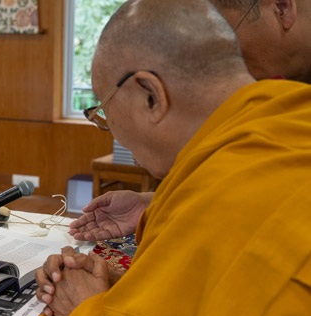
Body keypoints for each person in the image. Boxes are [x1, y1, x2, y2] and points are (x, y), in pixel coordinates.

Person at [36, 0, 311, 316]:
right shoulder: (289, 123)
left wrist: (84, 315)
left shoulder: (230, 202)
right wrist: (126, 285)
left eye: (105, 114)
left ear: (151, 95)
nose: (113, 131)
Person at [70, 0, 311, 242]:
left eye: (225, 31)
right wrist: (153, 203)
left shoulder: (252, 146)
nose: (223, 51)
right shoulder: (279, 115)